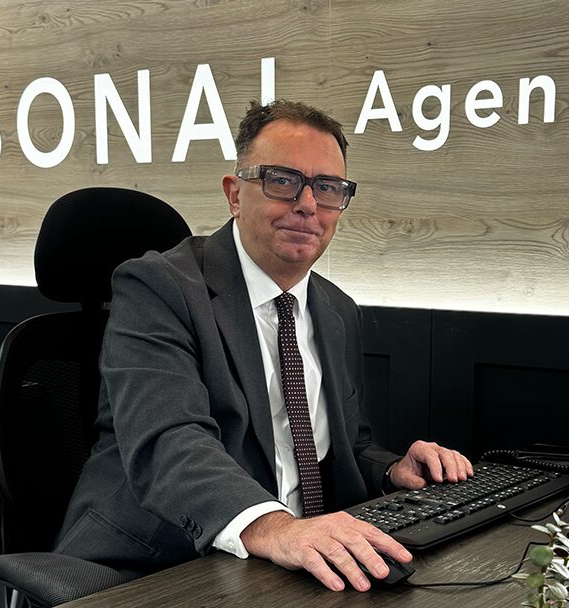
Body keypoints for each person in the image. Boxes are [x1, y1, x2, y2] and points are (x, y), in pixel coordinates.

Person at [55, 99, 473, 592]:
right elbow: (170, 442)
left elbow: (344, 446)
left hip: (289, 563)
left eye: (328, 188)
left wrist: (391, 472)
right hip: (157, 564)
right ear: (234, 195)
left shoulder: (337, 310)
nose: (308, 204)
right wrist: (277, 527)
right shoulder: (157, 287)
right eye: (282, 180)